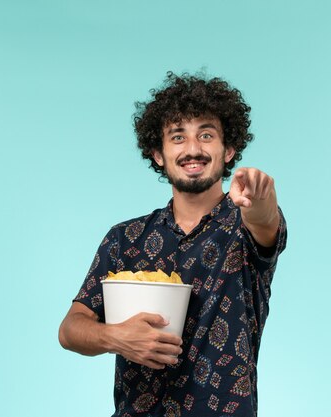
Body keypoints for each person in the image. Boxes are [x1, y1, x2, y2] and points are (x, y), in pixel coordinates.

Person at [59, 72, 287, 417]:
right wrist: (116, 337)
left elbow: (264, 219)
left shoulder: (243, 227)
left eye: (206, 135)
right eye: (177, 137)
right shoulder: (125, 239)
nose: (193, 149)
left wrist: (259, 195)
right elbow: (70, 329)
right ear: (158, 154)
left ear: (228, 151)